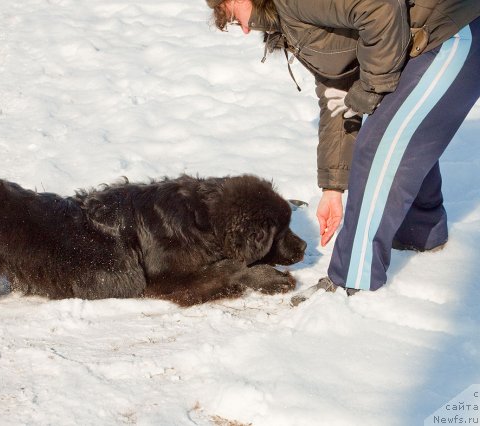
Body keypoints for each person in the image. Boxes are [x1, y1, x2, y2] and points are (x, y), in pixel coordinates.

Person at [205, 0, 480, 300]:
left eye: (233, 17)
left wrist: (373, 88)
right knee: (394, 130)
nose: (245, 29)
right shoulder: (289, 21)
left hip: (450, 30)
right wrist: (333, 190)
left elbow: (380, 7)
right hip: (420, 39)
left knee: (378, 147)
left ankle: (352, 282)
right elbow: (338, 92)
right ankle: (418, 232)